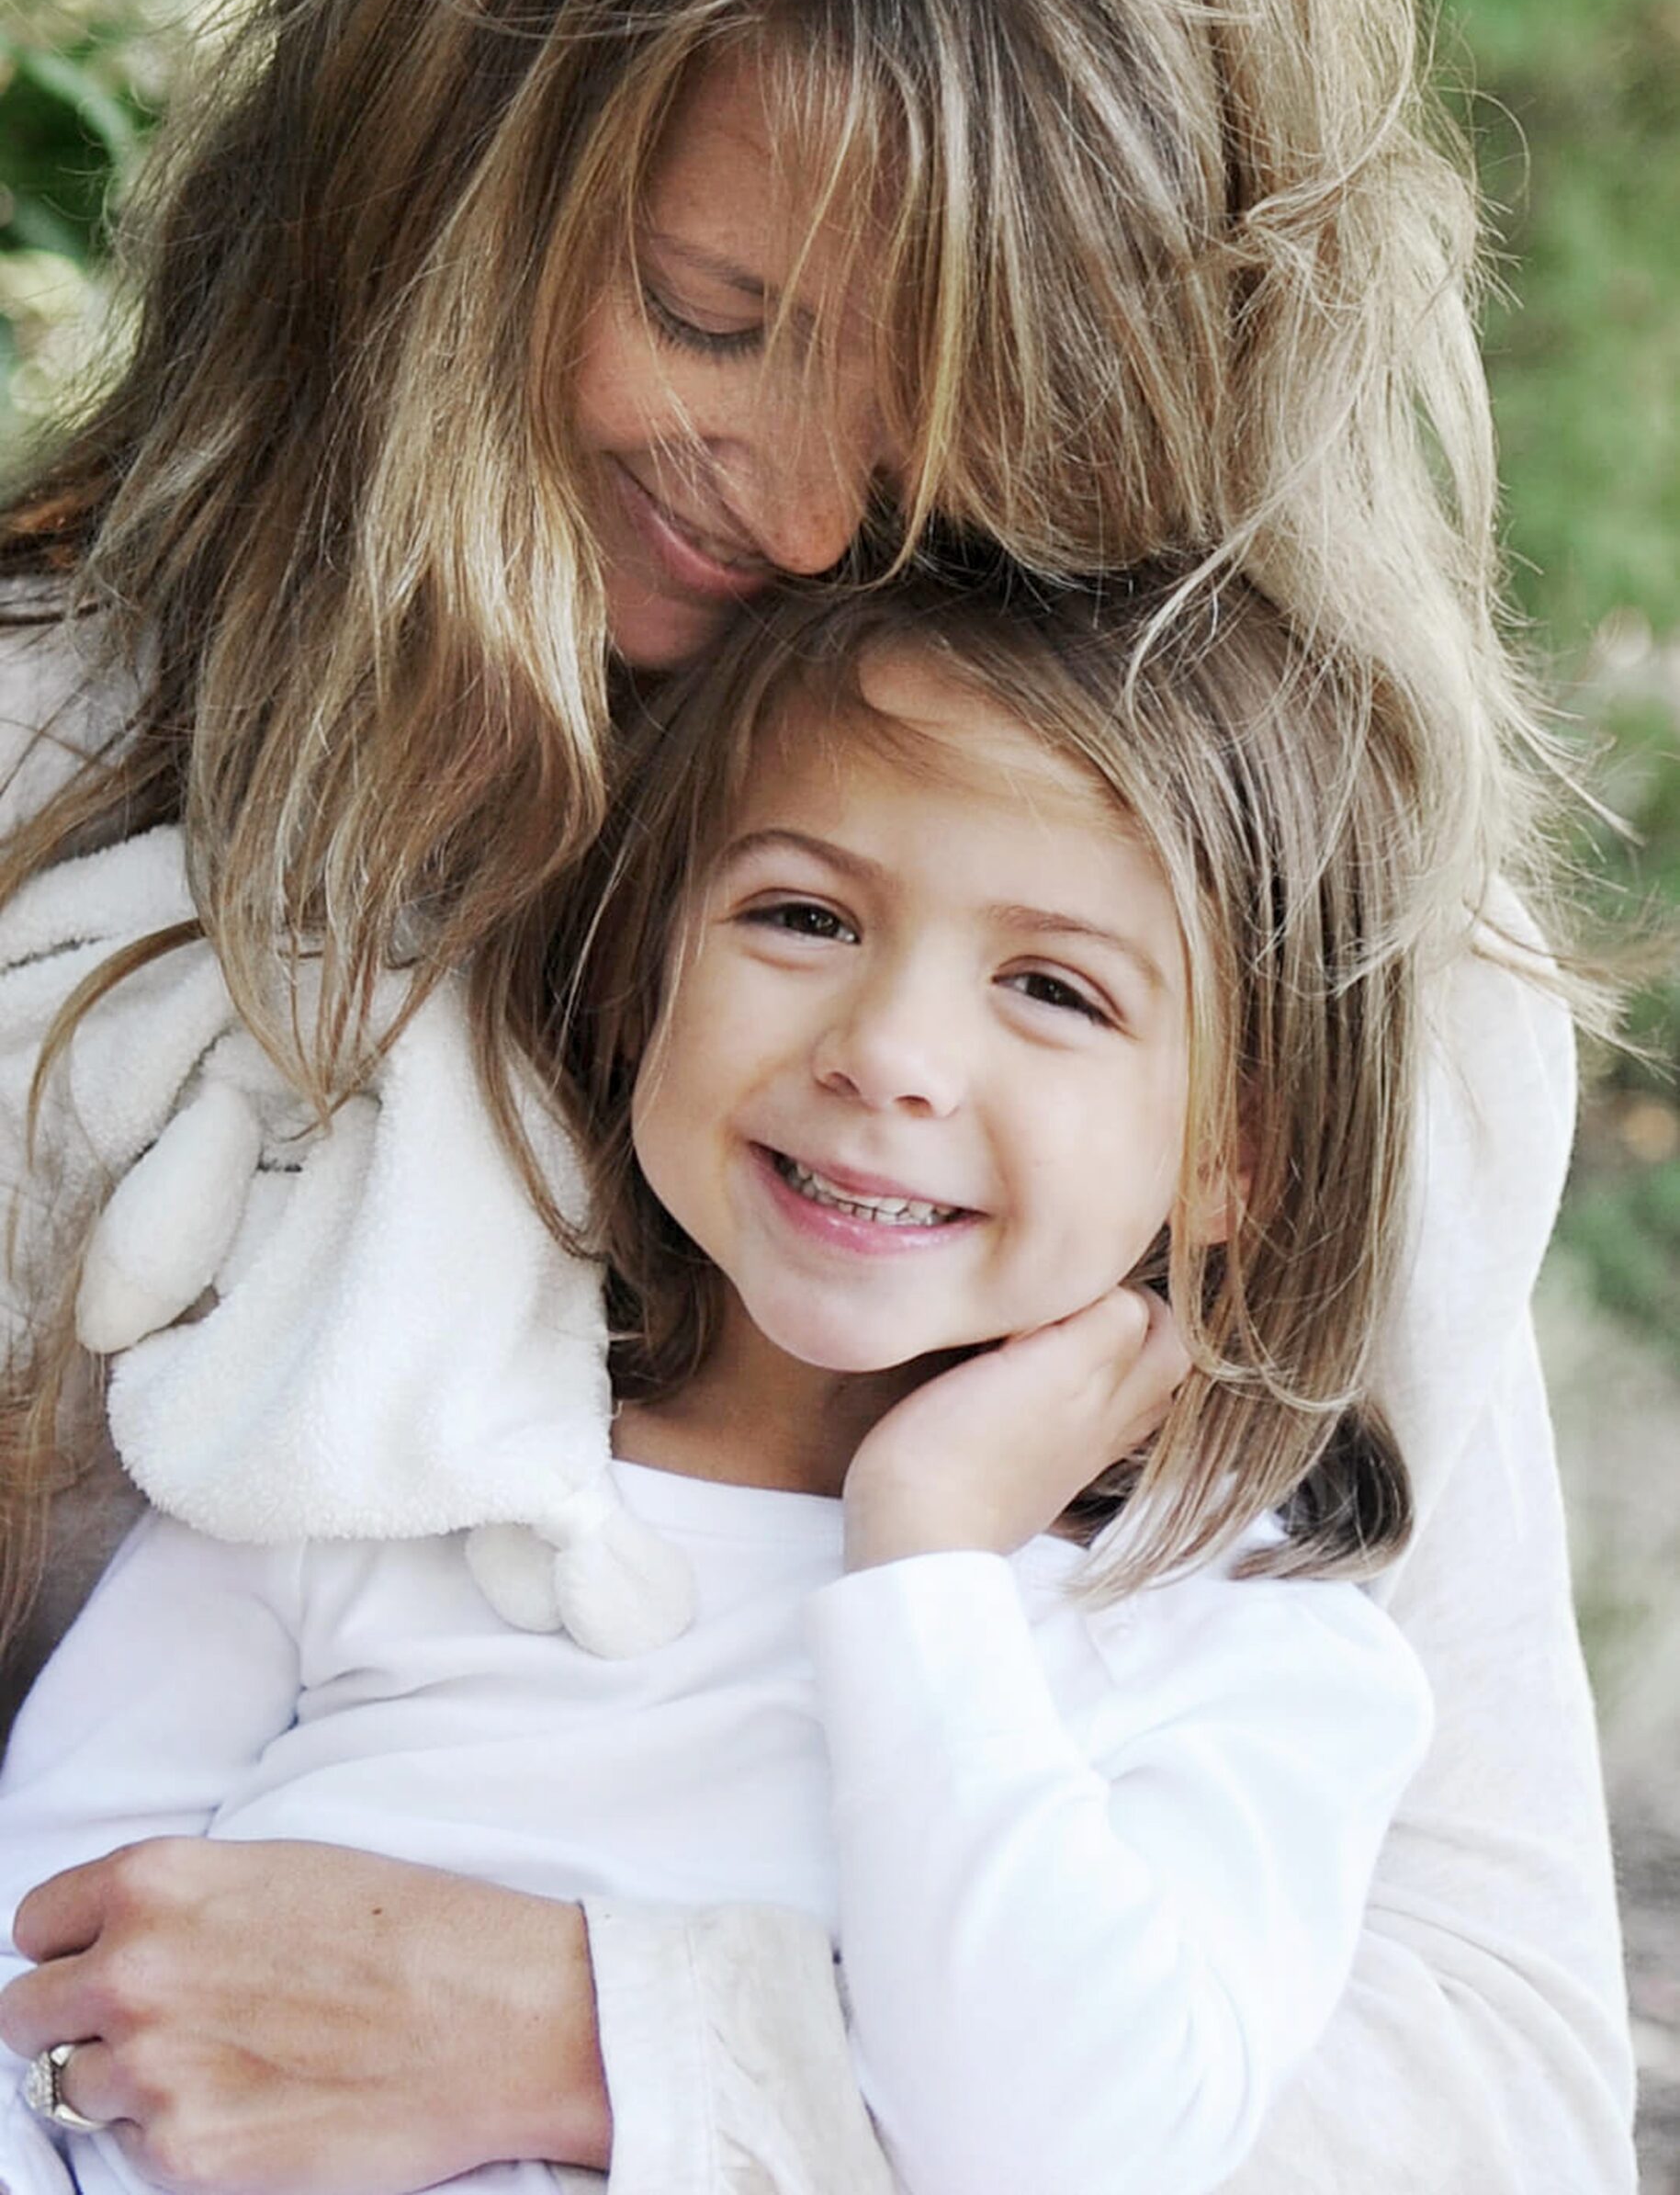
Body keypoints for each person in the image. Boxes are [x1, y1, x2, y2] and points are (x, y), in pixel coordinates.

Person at [0, 0, 1635, 2189]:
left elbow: (1491, 2079)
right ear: (439, 183)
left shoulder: (1332, 989)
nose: (798, 500)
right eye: (708, 311)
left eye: (963, 385)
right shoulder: (59, 808)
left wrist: (631, 2034)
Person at [1, 569, 1441, 2194]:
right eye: (803, 918)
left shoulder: (1237, 1646)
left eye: (1052, 989)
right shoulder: (384, 1441)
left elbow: (1057, 2150)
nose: (886, 1050)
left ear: (1233, 1155)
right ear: (642, 983)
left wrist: (928, 1566)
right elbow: (41, 1941)